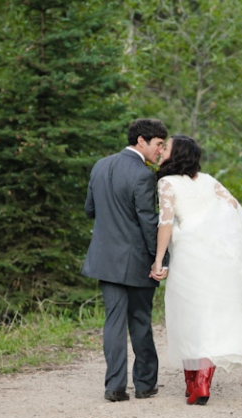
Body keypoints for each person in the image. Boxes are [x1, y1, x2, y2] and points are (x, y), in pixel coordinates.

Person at [149, 135, 242, 405]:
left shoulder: (167, 182)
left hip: (188, 255)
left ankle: (193, 383)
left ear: (177, 154)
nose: (161, 152)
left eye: (166, 148)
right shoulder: (210, 181)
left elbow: (166, 222)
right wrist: (212, 226)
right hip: (218, 256)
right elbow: (231, 205)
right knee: (212, 315)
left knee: (187, 313)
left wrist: (159, 259)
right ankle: (201, 383)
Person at [83, 118, 168, 402]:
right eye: (158, 144)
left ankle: (115, 387)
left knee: (114, 322)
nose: (160, 150)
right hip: (136, 260)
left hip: (105, 259)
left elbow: (90, 209)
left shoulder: (100, 165)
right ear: (141, 140)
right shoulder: (143, 174)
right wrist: (159, 259)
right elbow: (148, 222)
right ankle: (144, 384)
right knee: (140, 320)